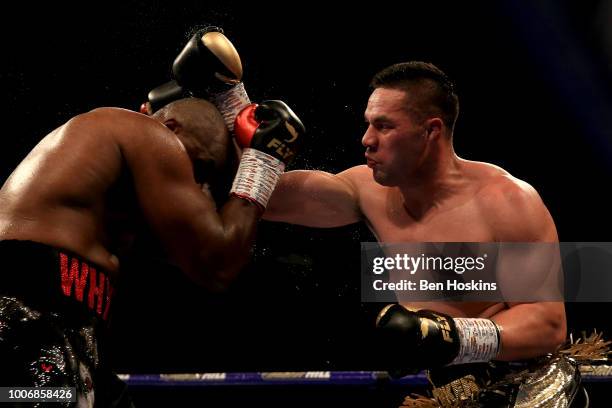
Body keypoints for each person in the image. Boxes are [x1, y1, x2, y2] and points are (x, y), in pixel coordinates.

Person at [263, 61, 569, 403]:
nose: (367, 140)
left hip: (522, 386)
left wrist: (452, 336)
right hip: (444, 388)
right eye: (368, 125)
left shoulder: (507, 201)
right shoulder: (366, 190)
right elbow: (265, 200)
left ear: (431, 131)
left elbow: (549, 324)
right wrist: (251, 138)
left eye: (384, 126)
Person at [0, 82, 303, 408]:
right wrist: (262, 163)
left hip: (64, 320)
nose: (196, 187)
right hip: (24, 310)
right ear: (171, 127)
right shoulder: (146, 132)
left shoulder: (112, 190)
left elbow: (215, 240)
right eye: (199, 167)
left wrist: (237, 116)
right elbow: (217, 263)